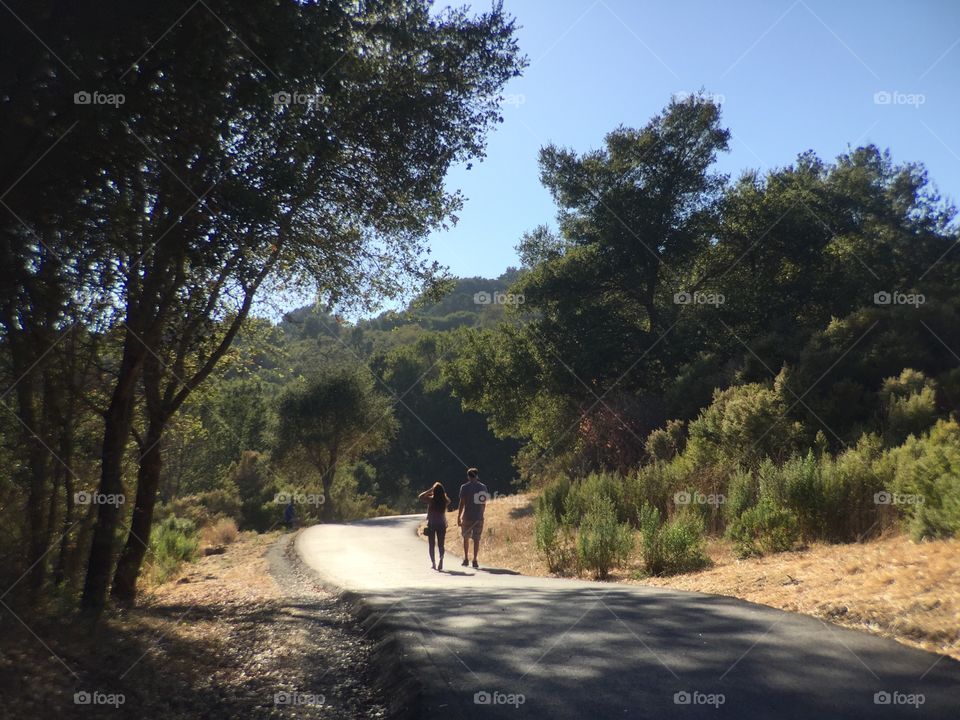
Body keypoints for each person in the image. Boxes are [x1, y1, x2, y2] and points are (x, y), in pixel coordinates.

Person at [457, 467, 487, 569]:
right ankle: (475, 559)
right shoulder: (482, 487)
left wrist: (459, 516)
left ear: (468, 476)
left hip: (467, 516)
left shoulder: (464, 487)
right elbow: (483, 503)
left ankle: (466, 558)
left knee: (466, 537)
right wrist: (481, 514)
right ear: (477, 475)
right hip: (478, 516)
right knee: (476, 539)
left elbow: (462, 503)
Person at [418, 482, 449, 571]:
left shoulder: (431, 500)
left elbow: (420, 496)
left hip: (432, 524)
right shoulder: (445, 501)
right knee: (441, 545)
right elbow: (449, 500)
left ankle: (433, 563)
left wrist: (430, 490)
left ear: (434, 491)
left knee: (431, 545)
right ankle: (441, 560)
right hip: (442, 524)